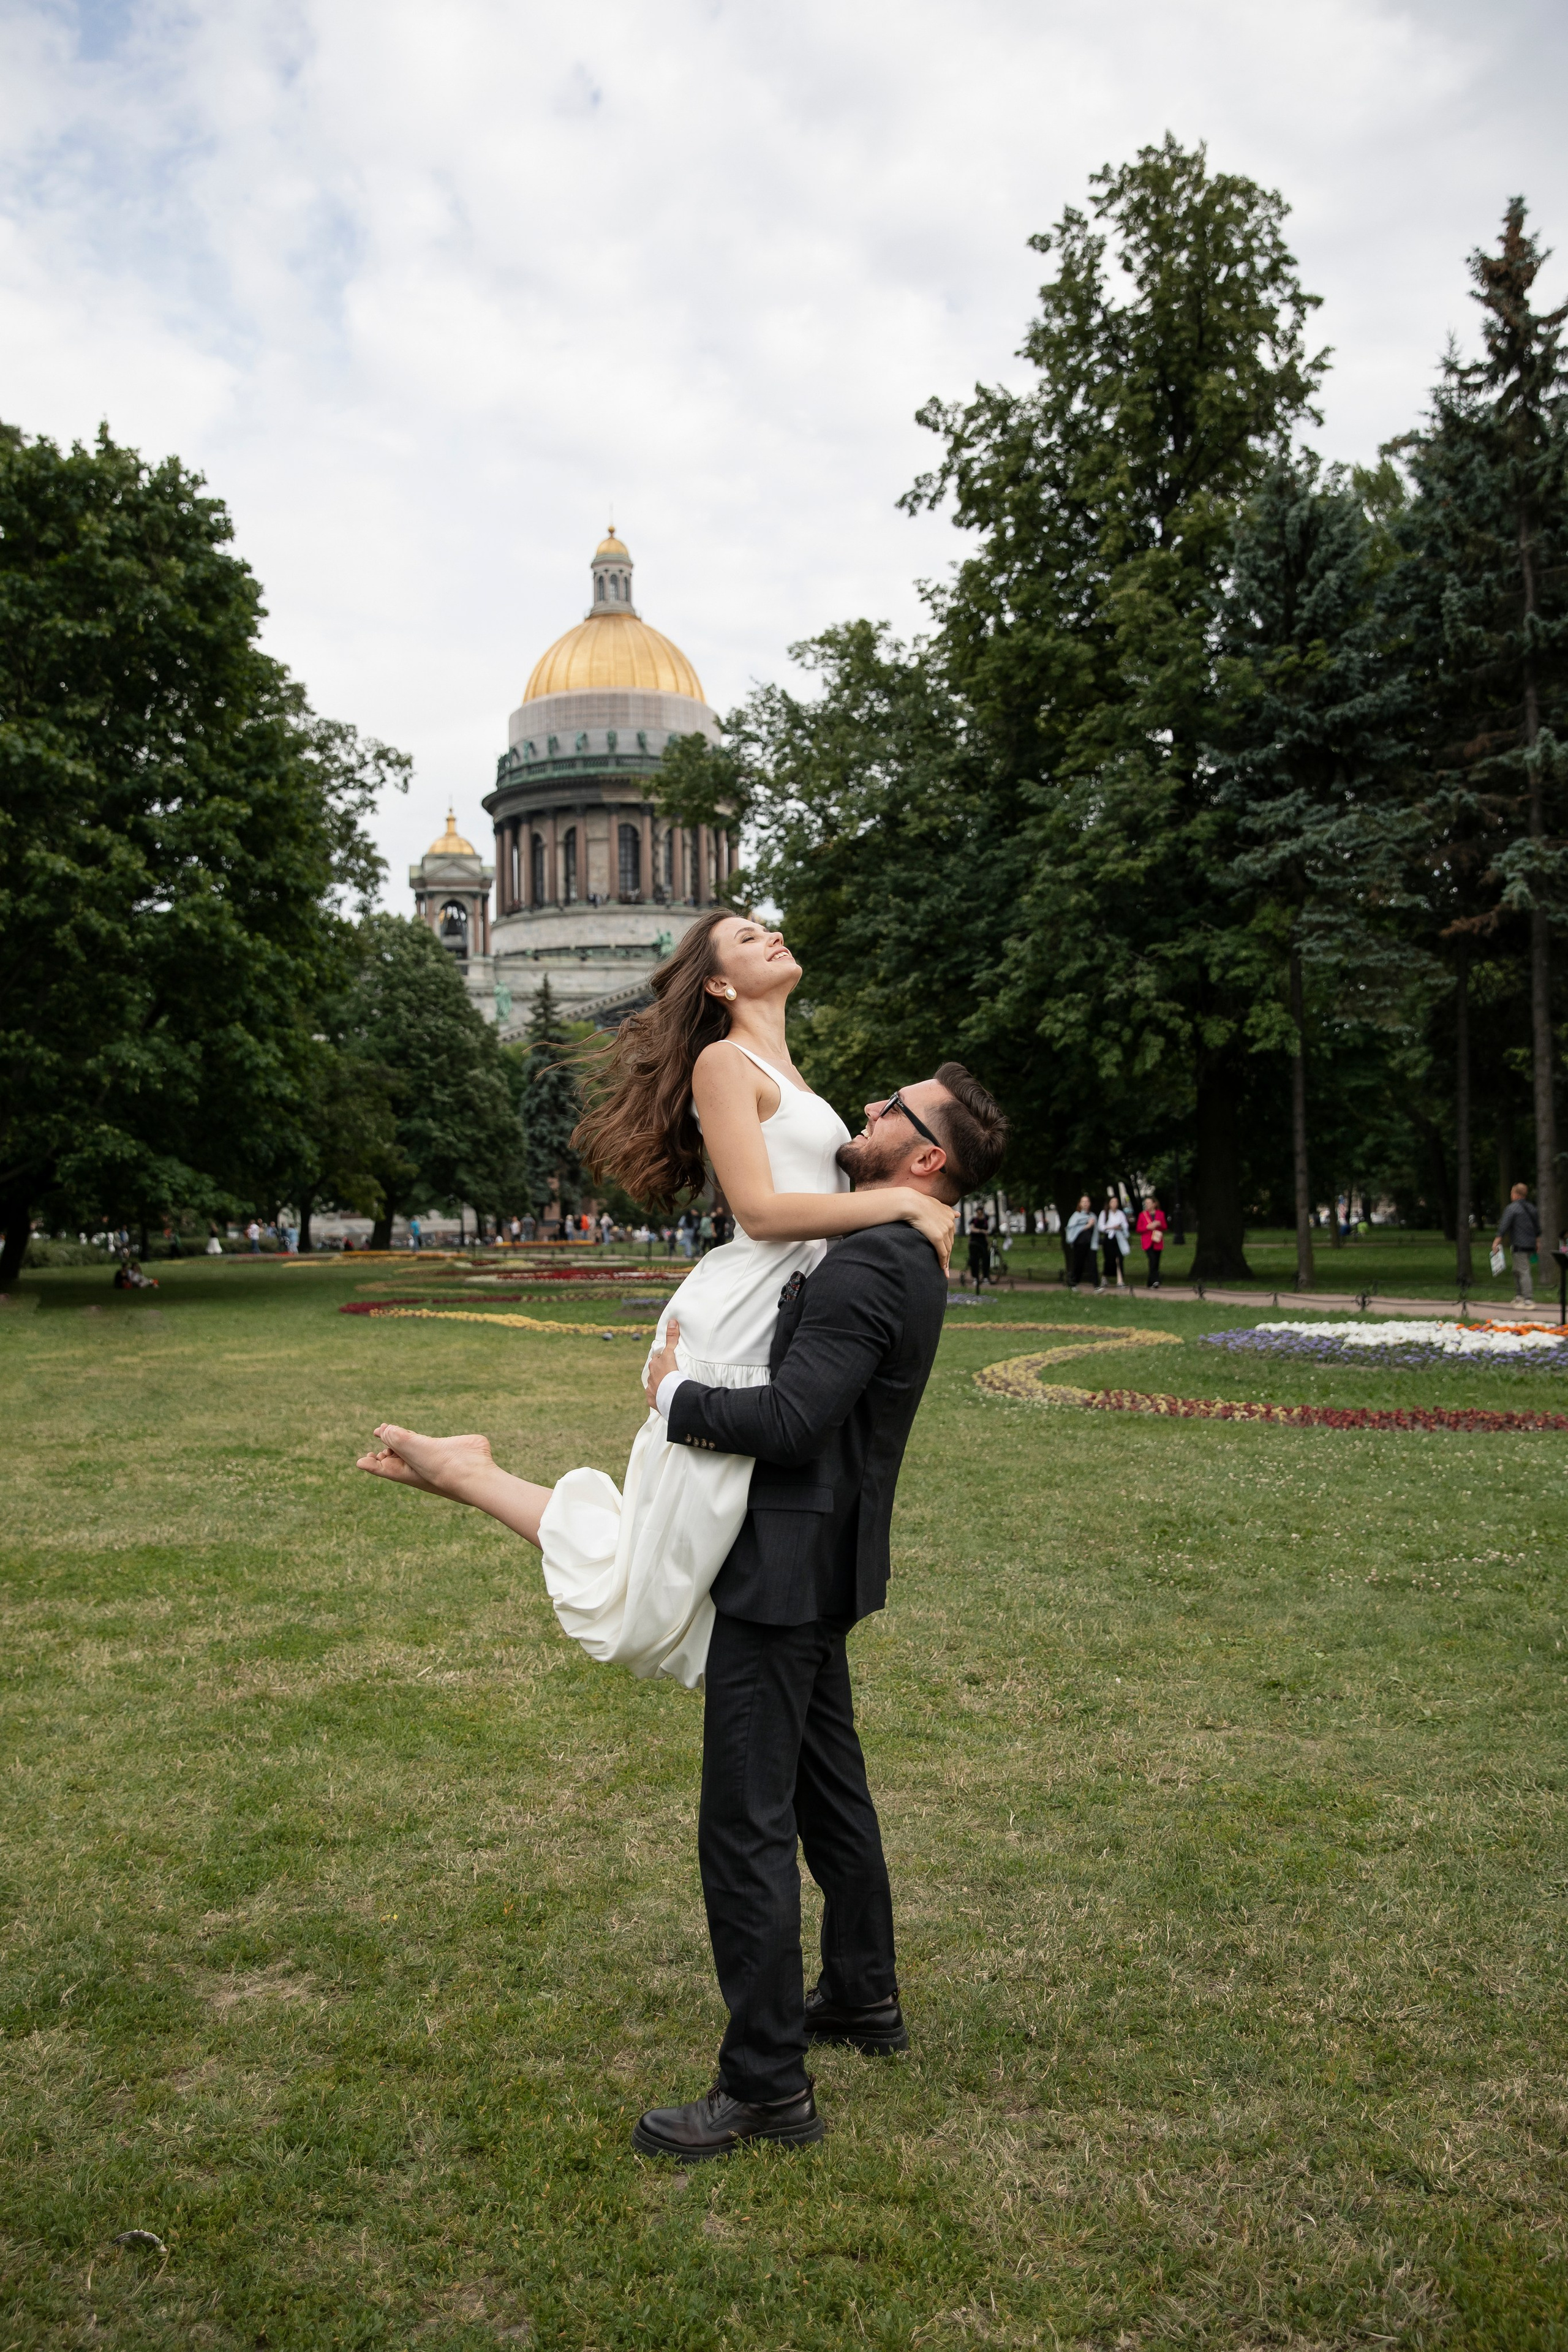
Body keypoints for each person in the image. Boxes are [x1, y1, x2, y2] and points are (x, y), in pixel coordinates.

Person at [361, 1041, 1008, 2162]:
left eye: (892, 1106)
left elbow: (792, 1422)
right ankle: (861, 1996)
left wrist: (673, 1394)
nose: (869, 1105)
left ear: (926, 1151)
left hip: (782, 1576)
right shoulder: (894, 1249)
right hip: (824, 1564)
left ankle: (766, 2088)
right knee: (828, 1796)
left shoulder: (871, 1267)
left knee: (744, 1830)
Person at [356, 908, 960, 1691]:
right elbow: (761, 1213)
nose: (772, 935)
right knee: (650, 1594)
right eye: (746, 938)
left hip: (776, 1318)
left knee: (683, 1566)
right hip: (735, 1326)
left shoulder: (789, 1071)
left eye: (768, 927)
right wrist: (904, 1205)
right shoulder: (723, 1062)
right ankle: (470, 1477)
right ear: (716, 982)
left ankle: (470, 1472)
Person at [1494, 1182, 1541, 1303]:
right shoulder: (1532, 1208)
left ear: (1516, 1194)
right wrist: (1537, 1242)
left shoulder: (1512, 1208)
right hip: (1530, 1244)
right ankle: (1519, 1296)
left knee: (1523, 1270)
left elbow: (1504, 1226)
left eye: (1512, 1193)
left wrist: (1497, 1241)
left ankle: (1528, 1298)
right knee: (1516, 1270)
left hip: (1520, 1245)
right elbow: (1537, 1228)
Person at [1065, 1196, 1098, 1290]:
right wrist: (1087, 1225)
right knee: (1079, 1264)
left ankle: (1096, 1285)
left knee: (1093, 1264)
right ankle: (1073, 1283)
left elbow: (1096, 1231)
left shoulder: (1093, 1216)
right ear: (1080, 1204)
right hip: (1080, 1244)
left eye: (1087, 1201)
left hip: (1091, 1244)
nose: (1085, 1203)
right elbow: (1073, 1229)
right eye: (1083, 1202)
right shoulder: (1076, 1216)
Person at [1136, 1197, 1167, 1288]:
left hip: (1157, 1241)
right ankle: (1156, 1280)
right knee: (1152, 1259)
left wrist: (1159, 1224)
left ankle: (1150, 1282)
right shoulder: (1142, 1215)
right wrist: (1147, 1227)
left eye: (1149, 1203)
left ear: (1154, 1204)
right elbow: (1138, 1229)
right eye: (1146, 1203)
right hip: (1147, 1241)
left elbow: (1165, 1227)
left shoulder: (1160, 1214)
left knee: (1156, 1261)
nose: (1147, 1205)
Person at [1099, 1194, 1129, 1290]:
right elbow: (1101, 1227)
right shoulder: (1104, 1213)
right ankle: (1105, 1276)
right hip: (1109, 1238)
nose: (1115, 1204)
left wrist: (1120, 1227)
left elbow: (1125, 1225)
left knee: (1119, 1259)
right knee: (1109, 1259)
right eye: (1113, 1202)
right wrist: (1111, 1227)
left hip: (1119, 1238)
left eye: (1116, 1202)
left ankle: (1120, 1281)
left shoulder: (1121, 1214)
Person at [965, 1205, 991, 1291]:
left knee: (986, 1259)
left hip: (983, 1242)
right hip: (975, 1242)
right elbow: (972, 1229)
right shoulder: (974, 1220)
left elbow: (987, 1233)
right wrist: (981, 1231)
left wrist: (988, 1241)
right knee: (974, 1260)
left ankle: (985, 1277)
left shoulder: (985, 1221)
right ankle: (976, 1277)